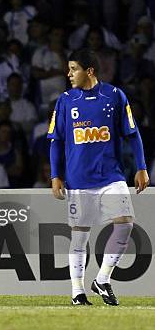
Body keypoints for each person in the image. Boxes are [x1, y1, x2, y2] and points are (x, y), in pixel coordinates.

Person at [48, 49, 149, 305]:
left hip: (111, 176)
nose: (69, 74)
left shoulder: (114, 96)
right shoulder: (66, 100)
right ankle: (77, 292)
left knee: (125, 223)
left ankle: (102, 279)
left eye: (73, 69)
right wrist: (55, 175)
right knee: (79, 237)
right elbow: (56, 142)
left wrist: (141, 167)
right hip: (78, 179)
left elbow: (133, 133)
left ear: (89, 71)